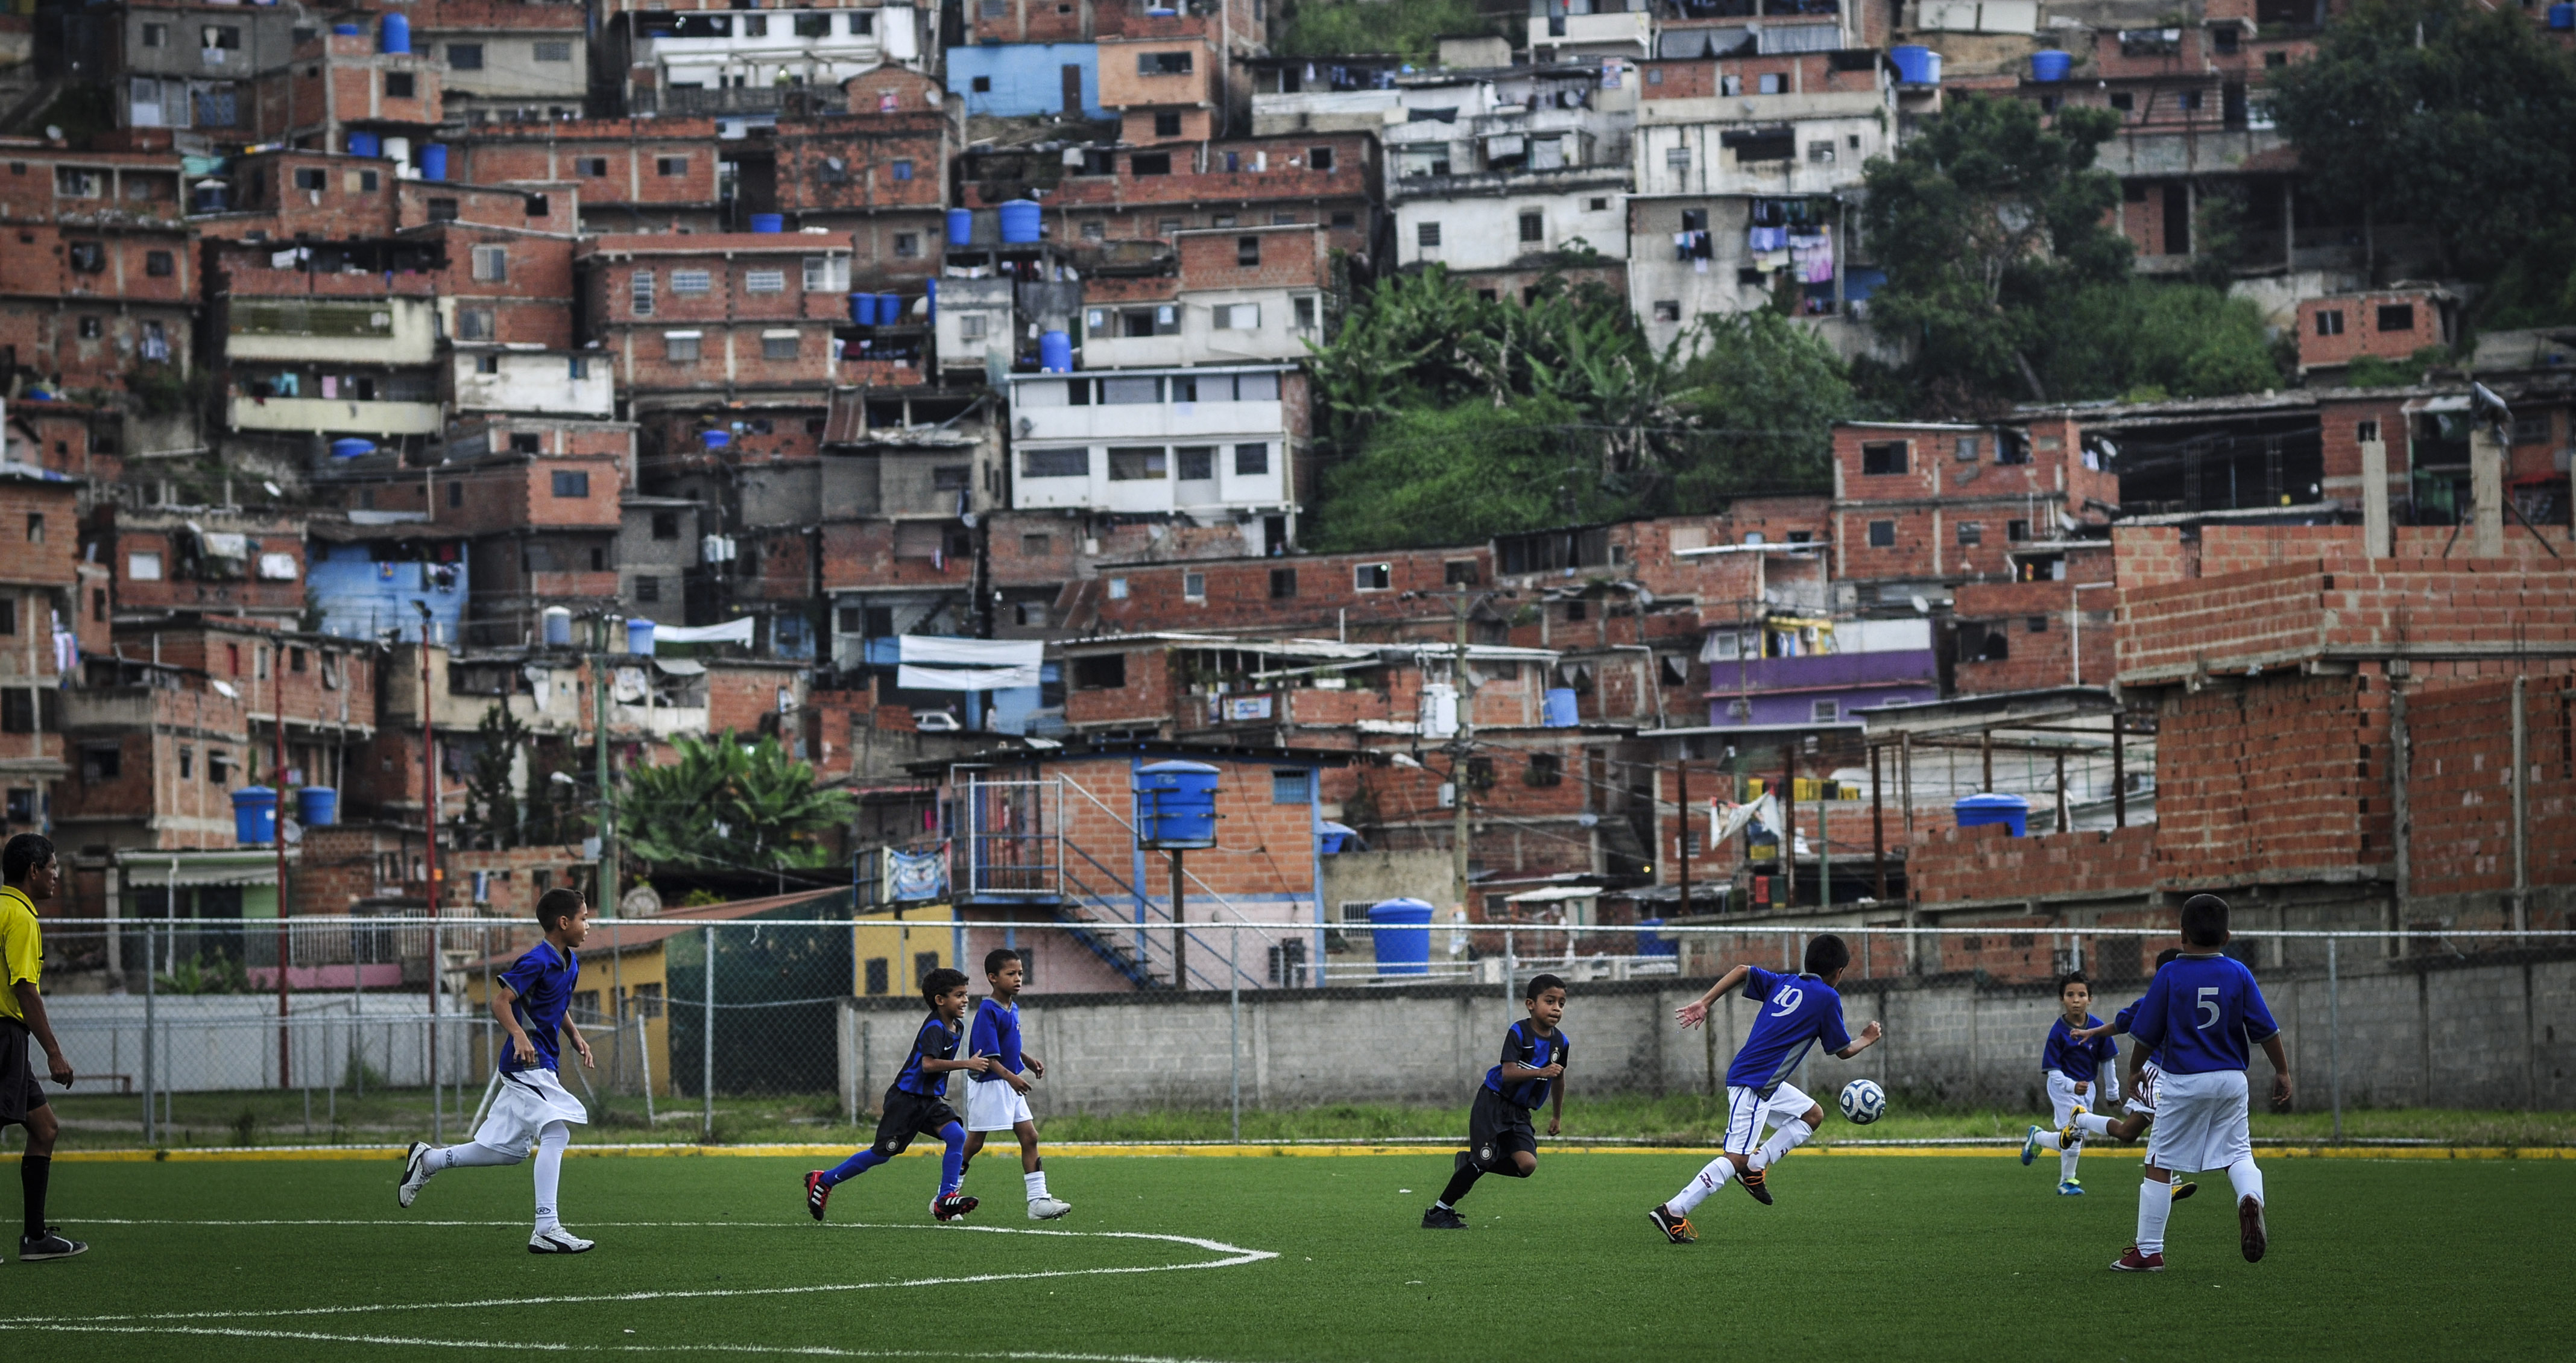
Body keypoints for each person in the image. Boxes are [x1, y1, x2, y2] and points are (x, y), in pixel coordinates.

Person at [1649, 935, 1883, 1244]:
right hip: (1755, 1084)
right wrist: (1867, 1038)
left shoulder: (1786, 982)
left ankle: (1756, 1166)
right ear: (1839, 972)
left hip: (1762, 1080)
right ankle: (1674, 1210)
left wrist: (1705, 1002)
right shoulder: (1827, 997)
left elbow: (1743, 970)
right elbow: (1842, 1050)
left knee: (1812, 1114)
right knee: (1735, 1158)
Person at [399, 888, 596, 1254]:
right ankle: (546, 1227)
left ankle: (428, 1160)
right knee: (556, 1133)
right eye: (584, 918)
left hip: (544, 1064)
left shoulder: (570, 962)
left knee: (508, 1152)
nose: (589, 926)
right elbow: (501, 1000)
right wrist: (519, 1034)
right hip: (527, 1065)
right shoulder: (537, 960)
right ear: (563, 922)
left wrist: (575, 1036)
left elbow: (555, 1005)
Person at [2110, 896, 2288, 1273]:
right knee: (2239, 1153)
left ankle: (2149, 1251)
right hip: (2231, 1081)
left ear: (2181, 934)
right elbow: (2266, 1030)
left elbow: (2146, 1031)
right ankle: (2250, 1196)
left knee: (2158, 1162)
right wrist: (2283, 1071)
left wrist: (2134, 1070)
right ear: (2227, 936)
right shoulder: (2239, 973)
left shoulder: (2171, 974)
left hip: (2184, 1080)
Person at [807, 966, 992, 1223]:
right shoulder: (935, 1028)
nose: (965, 1000)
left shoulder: (957, 1027)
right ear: (940, 1000)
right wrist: (967, 1064)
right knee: (881, 1155)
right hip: (905, 1100)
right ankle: (824, 1180)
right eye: (959, 995)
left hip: (928, 1102)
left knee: (956, 1135)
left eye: (966, 994)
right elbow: (928, 1064)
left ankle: (945, 1199)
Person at [1421, 973, 1568, 1229]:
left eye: (1562, 1003)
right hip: (1493, 1103)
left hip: (1520, 1112)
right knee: (1484, 1159)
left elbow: (1559, 1078)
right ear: (1530, 1004)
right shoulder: (1519, 1032)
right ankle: (1438, 1213)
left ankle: (1472, 1162)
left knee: (1527, 1165)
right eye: (1550, 1001)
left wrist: (1556, 1116)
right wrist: (1540, 1072)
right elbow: (1509, 1073)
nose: (1556, 1008)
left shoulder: (1561, 1042)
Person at [2064, 947, 2199, 1204]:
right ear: (2165, 974)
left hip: (2179, 1077)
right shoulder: (2151, 1001)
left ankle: (2081, 1119)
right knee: (2164, 1120)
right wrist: (2091, 1033)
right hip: (2155, 1074)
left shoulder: (2192, 999)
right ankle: (2167, 1182)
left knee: (2128, 1134)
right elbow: (2120, 1025)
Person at [1, 835, 82, 1261]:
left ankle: (35, 1238)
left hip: (9, 1038)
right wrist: (53, 1051)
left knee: (45, 1128)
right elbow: (25, 988)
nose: (56, 875)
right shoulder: (19, 916)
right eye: (52, 867)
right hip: (4, 1036)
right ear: (32, 870)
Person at [961, 949, 1070, 1220]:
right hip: (991, 1083)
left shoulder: (1013, 1007)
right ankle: (946, 1195)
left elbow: (1008, 1044)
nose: (1018, 979)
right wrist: (1011, 1077)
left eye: (1020, 973)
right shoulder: (988, 1010)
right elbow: (987, 1054)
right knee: (974, 1143)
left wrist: (1027, 1060)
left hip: (1009, 1082)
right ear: (993, 978)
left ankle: (1037, 1201)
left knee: (1030, 1137)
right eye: (1011, 974)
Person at [2020, 970, 2119, 1195]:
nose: (2076, 1000)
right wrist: (2071, 1086)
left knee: (2077, 1136)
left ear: (2090, 999)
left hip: (2087, 1089)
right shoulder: (2058, 1032)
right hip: (2062, 1088)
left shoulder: (2098, 1028)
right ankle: (2067, 1182)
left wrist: (2113, 1093)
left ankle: (2038, 1137)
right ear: (2061, 999)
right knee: (2074, 1135)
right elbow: (2053, 1071)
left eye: (2082, 995)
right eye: (2070, 995)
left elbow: (2108, 1061)